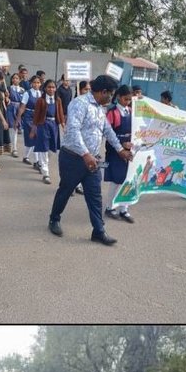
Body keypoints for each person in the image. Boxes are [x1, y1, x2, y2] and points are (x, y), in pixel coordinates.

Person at [48, 75, 134, 246]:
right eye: (110, 94)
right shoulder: (80, 104)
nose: (111, 98)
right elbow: (72, 130)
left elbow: (107, 130)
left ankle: (99, 231)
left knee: (95, 196)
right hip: (73, 158)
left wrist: (120, 150)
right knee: (65, 190)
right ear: (103, 92)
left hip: (92, 160)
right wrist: (85, 154)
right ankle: (54, 219)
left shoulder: (100, 109)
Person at [104, 86, 135, 223]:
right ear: (118, 97)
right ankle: (110, 207)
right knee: (116, 181)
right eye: (125, 99)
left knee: (129, 180)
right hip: (115, 150)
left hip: (129, 150)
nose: (128, 101)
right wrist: (122, 144)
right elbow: (107, 132)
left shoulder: (132, 112)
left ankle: (124, 208)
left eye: (130, 99)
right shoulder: (112, 112)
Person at [31, 79, 64, 184]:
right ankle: (46, 173)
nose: (51, 89)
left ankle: (42, 163)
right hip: (43, 125)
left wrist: (63, 125)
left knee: (51, 149)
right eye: (49, 87)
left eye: (53, 87)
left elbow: (60, 113)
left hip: (53, 126)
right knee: (44, 149)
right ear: (45, 88)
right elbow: (36, 115)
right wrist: (34, 128)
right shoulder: (41, 100)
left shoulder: (57, 100)